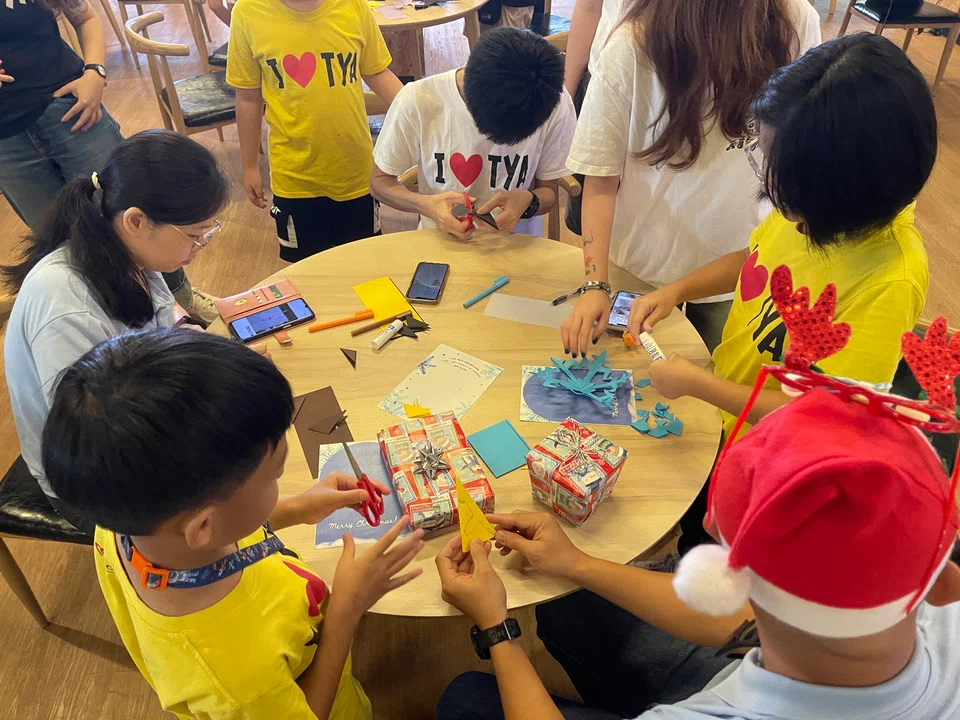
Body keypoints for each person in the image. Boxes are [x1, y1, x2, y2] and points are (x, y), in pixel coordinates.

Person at [434, 387, 960, 719]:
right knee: (566, 596)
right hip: (782, 669)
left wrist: (496, 628)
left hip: (737, 686)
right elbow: (764, 618)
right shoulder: (941, 609)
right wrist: (577, 564)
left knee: (462, 699)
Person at [625, 33, 936, 551]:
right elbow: (755, 259)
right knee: (695, 534)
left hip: (773, 467)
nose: (768, 186)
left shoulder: (889, 279)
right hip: (728, 425)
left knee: (721, 570)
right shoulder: (815, 207)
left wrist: (696, 384)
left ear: (839, 189)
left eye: (782, 179)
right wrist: (677, 288)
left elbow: (821, 417)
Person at [42, 328, 425, 718]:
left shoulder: (123, 522)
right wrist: (346, 611)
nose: (281, 480)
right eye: (275, 474)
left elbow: (210, 531)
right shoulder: (233, 672)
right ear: (203, 526)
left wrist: (297, 508)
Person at [559, 0, 821, 355]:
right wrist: (595, 283)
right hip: (641, 266)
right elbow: (600, 177)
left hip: (737, 268)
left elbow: (802, 150)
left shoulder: (795, 20)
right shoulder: (631, 46)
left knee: (715, 381)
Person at [3, 130, 228, 528]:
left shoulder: (126, 253)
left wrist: (210, 356)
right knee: (230, 494)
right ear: (137, 220)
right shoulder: (68, 309)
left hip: (132, 421)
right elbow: (95, 444)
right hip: (92, 476)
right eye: (195, 236)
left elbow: (157, 328)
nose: (201, 246)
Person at [0, 0, 217, 323]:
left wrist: (94, 72)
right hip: (6, 141)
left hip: (73, 111)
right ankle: (118, 320)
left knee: (141, 212)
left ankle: (179, 301)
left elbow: (85, 16)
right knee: (62, 240)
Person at [227, 0, 403, 262]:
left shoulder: (353, 6)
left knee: (364, 264)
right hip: (295, 177)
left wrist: (419, 114)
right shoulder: (248, 11)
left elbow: (377, 71)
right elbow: (249, 98)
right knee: (306, 269)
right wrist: (250, 165)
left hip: (355, 171)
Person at [370, 27, 576, 240]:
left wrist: (528, 202)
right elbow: (379, 182)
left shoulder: (552, 102)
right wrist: (426, 205)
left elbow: (549, 191)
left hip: (517, 245)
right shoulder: (418, 99)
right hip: (438, 242)